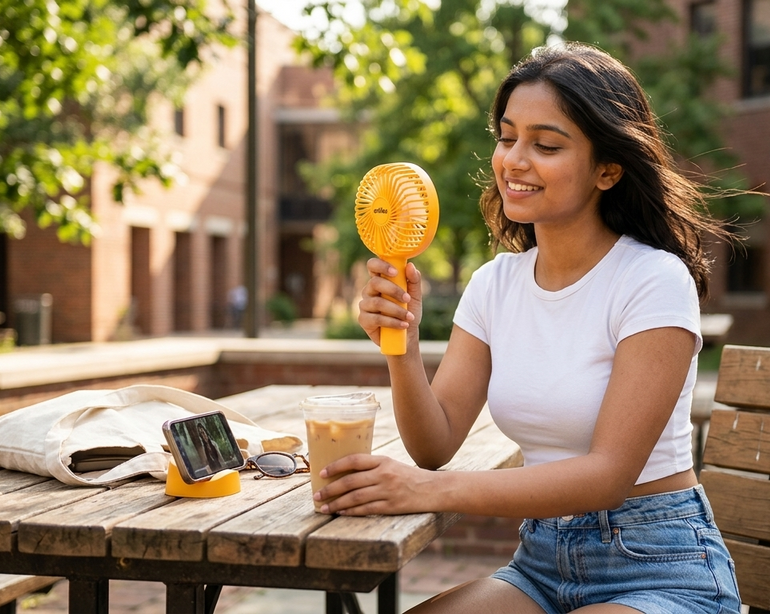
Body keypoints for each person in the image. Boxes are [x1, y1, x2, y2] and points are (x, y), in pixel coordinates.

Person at [315, 42, 742, 613]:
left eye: (545, 144)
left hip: (658, 566)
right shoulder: (496, 283)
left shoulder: (652, 280)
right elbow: (434, 444)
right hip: (540, 564)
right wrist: (403, 343)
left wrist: (427, 491)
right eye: (507, 136)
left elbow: (607, 475)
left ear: (608, 169)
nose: (514, 159)